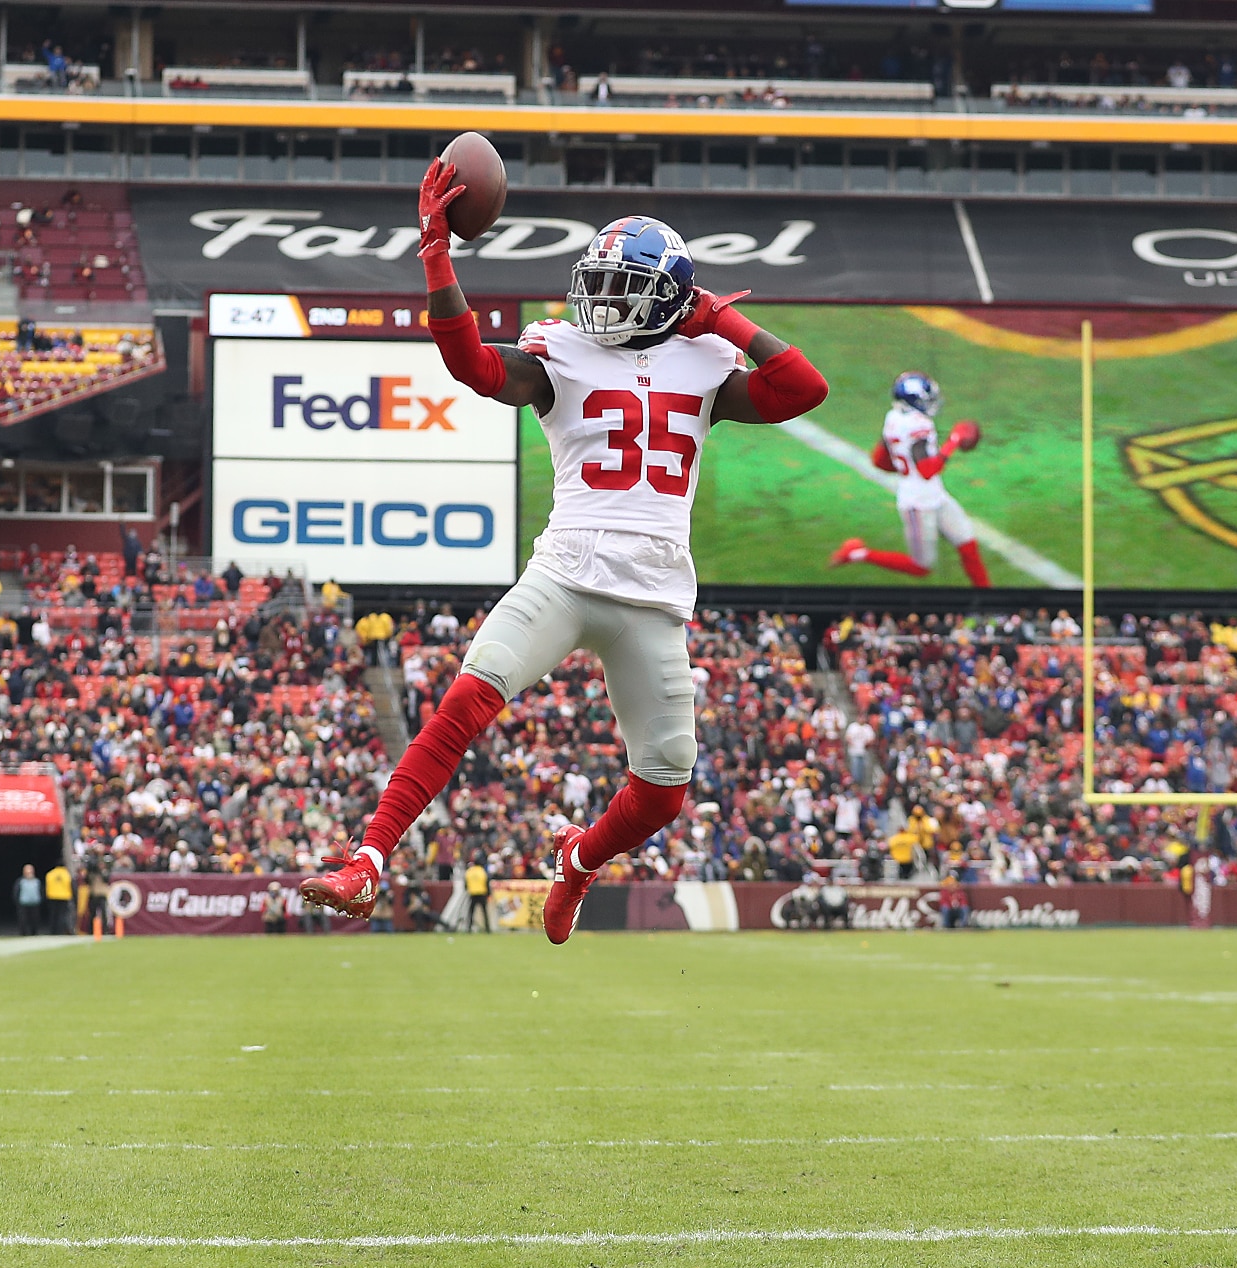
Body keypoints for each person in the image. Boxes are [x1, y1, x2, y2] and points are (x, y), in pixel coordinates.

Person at [301, 161, 829, 945]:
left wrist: (722, 320)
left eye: (625, 286)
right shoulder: (561, 349)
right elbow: (470, 364)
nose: (603, 300)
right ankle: (367, 861)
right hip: (568, 571)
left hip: (652, 595)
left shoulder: (706, 360)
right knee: (467, 699)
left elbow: (804, 389)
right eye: (601, 281)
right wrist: (437, 256)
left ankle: (579, 858)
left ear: (673, 294)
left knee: (664, 791)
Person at [830, 372, 988, 586]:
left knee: (968, 545)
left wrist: (906, 470)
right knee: (921, 566)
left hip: (934, 494)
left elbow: (879, 461)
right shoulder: (919, 425)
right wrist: (954, 440)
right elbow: (927, 470)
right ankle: (858, 553)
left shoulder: (892, 418)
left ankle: (991, 603)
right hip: (918, 504)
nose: (931, 403)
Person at [43, 857, 74, 935]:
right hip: (64, 896)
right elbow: (71, 886)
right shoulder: (67, 874)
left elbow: (47, 886)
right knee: (62, 915)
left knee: (53, 915)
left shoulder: (50, 874)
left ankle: (53, 931)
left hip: (52, 896)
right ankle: (60, 931)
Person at [462, 858, 491, 934]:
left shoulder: (469, 871)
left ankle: (468, 928)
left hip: (472, 894)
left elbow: (465, 883)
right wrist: (488, 894)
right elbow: (486, 883)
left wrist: (468, 889)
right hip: (481, 893)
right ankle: (487, 929)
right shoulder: (482, 871)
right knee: (484, 912)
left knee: (471, 912)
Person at [15, 863, 44, 936]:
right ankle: (23, 933)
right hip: (23, 903)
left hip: (35, 903)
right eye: (27, 871)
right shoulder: (20, 881)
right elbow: (16, 892)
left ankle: (34, 933)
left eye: (30, 871)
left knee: (35, 920)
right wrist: (17, 901)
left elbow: (41, 891)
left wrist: (40, 900)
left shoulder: (37, 881)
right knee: (23, 920)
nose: (29, 873)